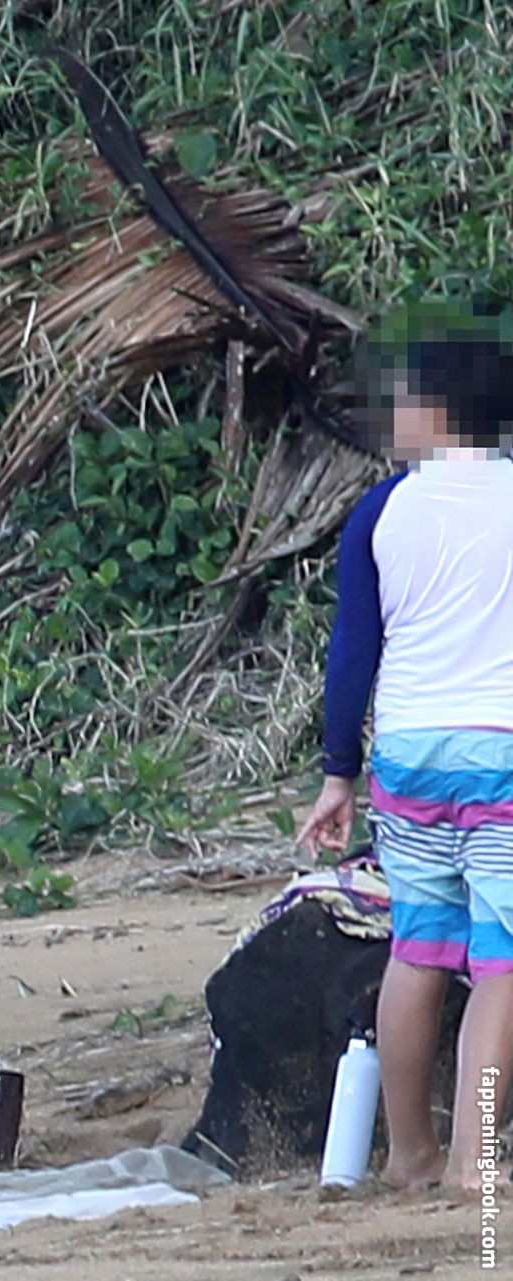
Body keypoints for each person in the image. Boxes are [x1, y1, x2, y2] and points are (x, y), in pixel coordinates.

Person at [299, 313, 513, 1193]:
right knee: (503, 959)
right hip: (501, 752)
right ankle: (476, 1157)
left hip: (409, 756)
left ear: (440, 408)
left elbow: (353, 651)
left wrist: (337, 774)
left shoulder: (383, 508)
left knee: (420, 947)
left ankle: (410, 1153)